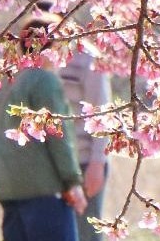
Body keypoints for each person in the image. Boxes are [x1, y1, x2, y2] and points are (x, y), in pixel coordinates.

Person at [0, 9, 87, 241]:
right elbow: (57, 137)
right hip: (44, 191)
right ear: (51, 46)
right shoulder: (45, 81)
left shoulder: (9, 81)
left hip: (8, 187)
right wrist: (72, 181)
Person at [56, 49, 110, 241]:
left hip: (84, 162)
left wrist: (97, 163)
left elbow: (101, 112)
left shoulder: (88, 58)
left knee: (86, 233)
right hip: (51, 166)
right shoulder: (38, 56)